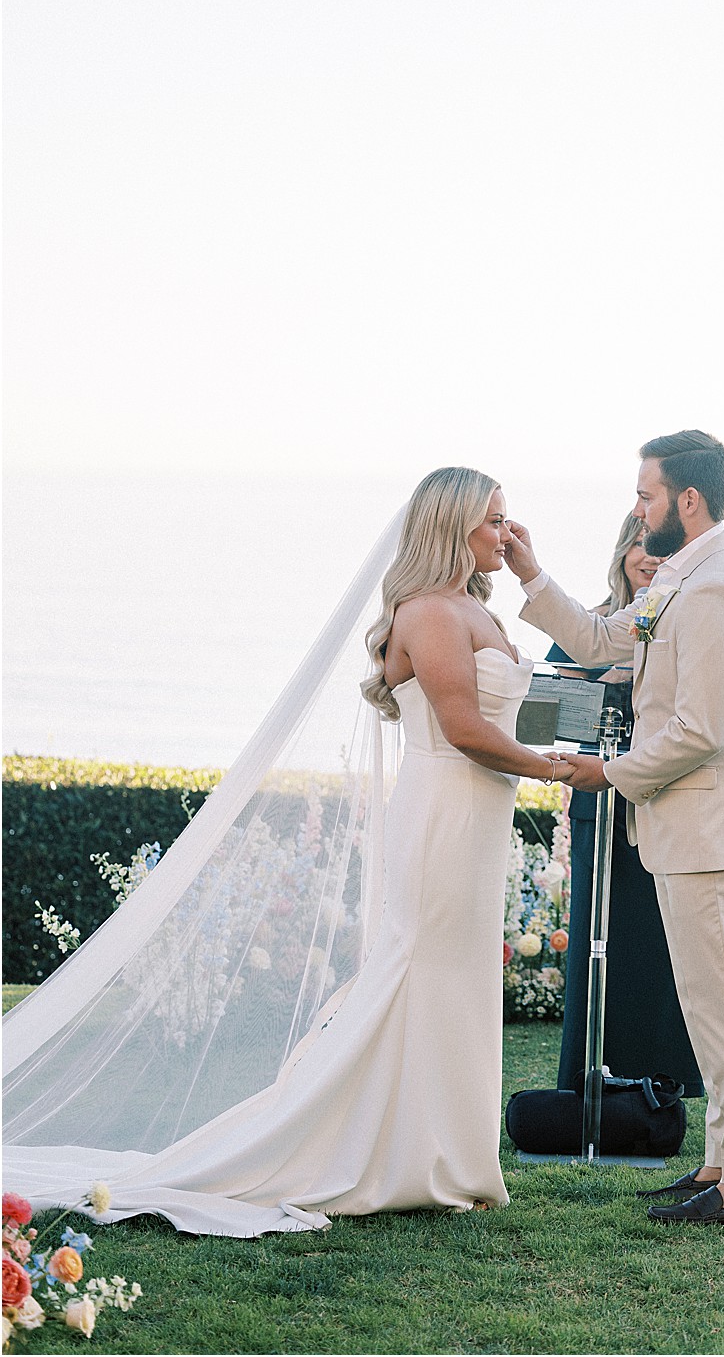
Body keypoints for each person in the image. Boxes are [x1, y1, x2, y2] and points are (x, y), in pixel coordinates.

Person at [3, 467, 574, 1235]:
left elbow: (514, 711)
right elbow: (466, 730)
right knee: (418, 972)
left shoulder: (470, 606)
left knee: (453, 978)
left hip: (477, 816)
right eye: (494, 521)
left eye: (509, 520)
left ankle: (446, 1155)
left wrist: (559, 734)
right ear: (451, 526)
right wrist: (560, 773)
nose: (507, 533)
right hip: (444, 811)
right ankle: (392, 1154)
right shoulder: (433, 612)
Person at [507, 430, 724, 1228]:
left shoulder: (718, 591)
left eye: (645, 494)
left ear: (685, 501)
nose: (638, 509)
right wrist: (531, 574)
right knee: (704, 1010)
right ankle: (717, 1167)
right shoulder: (679, 581)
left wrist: (607, 775)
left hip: (710, 830)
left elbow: (699, 729)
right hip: (686, 831)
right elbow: (599, 641)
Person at [546, 513, 703, 1098]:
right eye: (638, 544)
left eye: (658, 548)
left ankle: (667, 1080)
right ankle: (587, 1078)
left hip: (664, 804)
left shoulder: (686, 624)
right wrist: (597, 681)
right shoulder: (586, 626)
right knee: (596, 942)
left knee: (662, 946)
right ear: (622, 551)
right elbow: (543, 718)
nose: (647, 557)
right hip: (598, 806)